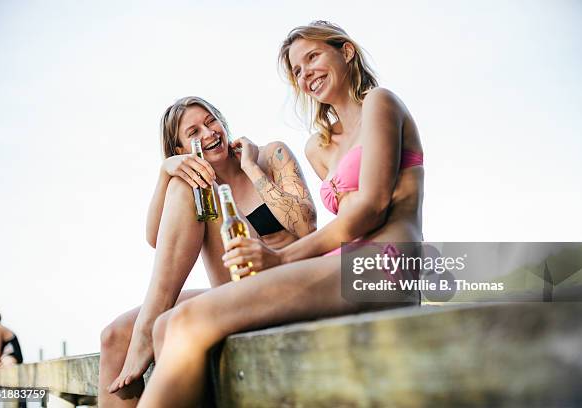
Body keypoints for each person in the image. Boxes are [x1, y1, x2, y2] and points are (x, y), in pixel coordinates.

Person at [136, 21, 425, 407]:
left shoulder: (380, 103)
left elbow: (371, 208)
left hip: (385, 264)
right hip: (340, 263)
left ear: (347, 52)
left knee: (188, 321)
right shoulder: (319, 147)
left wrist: (280, 258)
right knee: (167, 324)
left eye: (313, 57)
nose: (307, 74)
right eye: (298, 70)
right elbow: (346, 223)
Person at [99, 96, 316, 406]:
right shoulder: (192, 183)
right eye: (194, 132)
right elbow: (157, 240)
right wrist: (166, 172)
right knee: (115, 335)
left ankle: (148, 328)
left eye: (211, 121)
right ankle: (143, 330)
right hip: (232, 289)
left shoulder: (271, 155)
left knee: (199, 186)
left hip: (287, 283)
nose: (209, 133)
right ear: (180, 150)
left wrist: (250, 166)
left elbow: (306, 225)